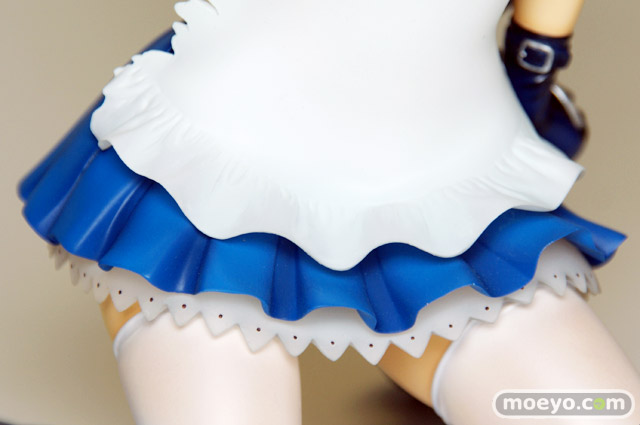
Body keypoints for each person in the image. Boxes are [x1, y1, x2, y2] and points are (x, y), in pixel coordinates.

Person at [18, 0, 640, 424]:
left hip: (451, 187)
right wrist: (534, 63)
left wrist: (534, 69)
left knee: (596, 410)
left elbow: (540, 38)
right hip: (211, 185)